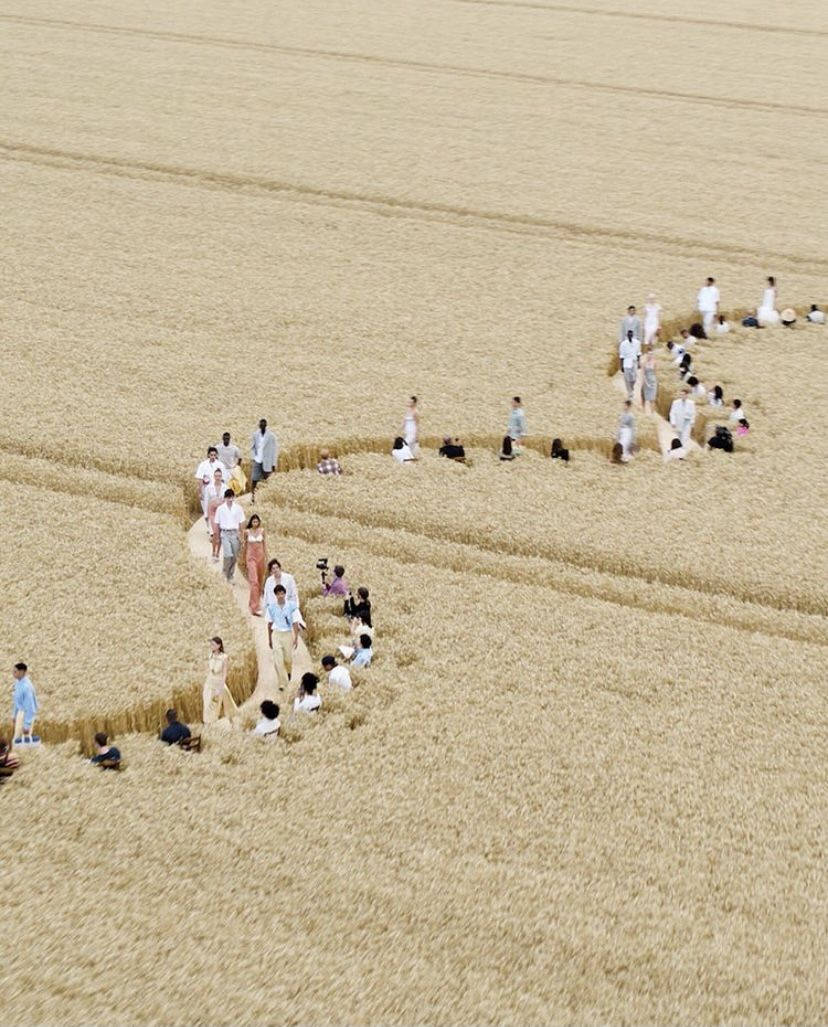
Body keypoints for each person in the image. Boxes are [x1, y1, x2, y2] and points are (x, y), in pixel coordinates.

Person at [266, 585, 302, 689]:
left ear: (285, 594)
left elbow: (295, 622)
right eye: (278, 594)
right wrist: (269, 639)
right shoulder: (271, 608)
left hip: (287, 634)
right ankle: (282, 683)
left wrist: (296, 637)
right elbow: (269, 624)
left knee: (288, 659)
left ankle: (289, 672)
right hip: (276, 634)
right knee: (278, 659)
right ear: (275, 595)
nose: (280, 596)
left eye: (282, 593)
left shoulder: (292, 606)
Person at [202, 637, 237, 724]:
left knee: (220, 703)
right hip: (209, 682)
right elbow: (209, 669)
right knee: (207, 703)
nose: (211, 646)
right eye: (211, 644)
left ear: (219, 645)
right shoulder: (210, 655)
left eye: (213, 644)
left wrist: (220, 687)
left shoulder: (224, 657)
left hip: (218, 683)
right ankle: (208, 722)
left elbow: (224, 673)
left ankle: (228, 720)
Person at [215, 489, 245, 582]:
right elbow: (217, 523)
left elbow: (242, 521)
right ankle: (224, 572)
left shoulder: (238, 508)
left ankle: (230, 575)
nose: (230, 499)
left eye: (232, 497)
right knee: (228, 554)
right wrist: (217, 536)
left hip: (235, 533)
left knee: (234, 556)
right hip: (225, 533)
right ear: (225, 498)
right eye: (228, 497)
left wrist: (241, 534)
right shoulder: (220, 509)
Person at [242, 514, 267, 616]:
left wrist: (266, 557)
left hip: (260, 558)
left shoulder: (262, 531)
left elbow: (265, 545)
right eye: (253, 521)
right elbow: (244, 547)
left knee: (260, 582)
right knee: (254, 582)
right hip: (251, 558)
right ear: (251, 522)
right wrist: (244, 559)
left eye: (257, 521)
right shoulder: (247, 532)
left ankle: (252, 602)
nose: (255, 523)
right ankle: (255, 607)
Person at [195, 447, 227, 525]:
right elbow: (200, 479)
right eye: (211, 455)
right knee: (206, 510)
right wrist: (200, 492)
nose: (213, 457)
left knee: (217, 510)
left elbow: (224, 479)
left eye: (214, 455)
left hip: (216, 491)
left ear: (216, 455)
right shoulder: (203, 465)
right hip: (205, 490)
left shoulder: (220, 464)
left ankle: (216, 527)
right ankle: (209, 528)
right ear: (208, 455)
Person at [263, 559, 299, 627]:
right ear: (271, 571)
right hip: (274, 608)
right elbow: (266, 595)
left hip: (287, 606)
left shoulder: (289, 578)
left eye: (277, 568)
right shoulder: (269, 581)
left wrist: (295, 607)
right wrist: (267, 609)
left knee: (292, 625)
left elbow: (294, 594)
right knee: (273, 626)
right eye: (273, 568)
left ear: (280, 568)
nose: (276, 570)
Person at [250, 418, 278, 500]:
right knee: (254, 479)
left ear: (266, 425)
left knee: (267, 480)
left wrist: (273, 464)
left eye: (264, 424)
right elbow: (253, 447)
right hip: (257, 460)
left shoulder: (271, 436)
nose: (262, 425)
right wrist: (253, 457)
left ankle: (267, 497)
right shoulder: (255, 435)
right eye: (261, 424)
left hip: (267, 461)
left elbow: (274, 450)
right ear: (259, 425)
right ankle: (253, 497)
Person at [11, 663, 38, 745]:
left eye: (15, 671)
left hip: (26, 714)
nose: (13, 673)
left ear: (22, 672)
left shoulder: (26, 687)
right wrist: (14, 715)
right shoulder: (17, 683)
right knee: (16, 739)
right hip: (20, 712)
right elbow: (16, 700)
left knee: (23, 741)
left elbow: (31, 708)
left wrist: (27, 725)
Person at [204, 467, 225, 560]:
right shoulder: (209, 487)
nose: (218, 477)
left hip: (221, 511)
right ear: (214, 476)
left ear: (221, 476)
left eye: (219, 476)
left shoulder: (226, 487)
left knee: (219, 533)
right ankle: (213, 551)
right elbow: (206, 500)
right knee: (215, 532)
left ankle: (217, 553)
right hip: (212, 511)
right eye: (216, 476)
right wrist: (206, 514)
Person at [618, 330, 640, 400]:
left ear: (632, 335)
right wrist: (621, 366)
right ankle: (630, 392)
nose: (630, 336)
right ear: (627, 335)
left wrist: (639, 363)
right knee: (627, 378)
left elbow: (638, 353)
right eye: (629, 335)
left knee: (634, 378)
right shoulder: (623, 344)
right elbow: (621, 356)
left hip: (634, 361)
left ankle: (632, 387)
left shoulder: (637, 343)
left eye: (631, 334)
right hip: (626, 362)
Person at [642, 347, 657, 414]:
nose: (650, 355)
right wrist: (645, 382)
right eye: (648, 354)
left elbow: (655, 373)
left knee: (652, 399)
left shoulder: (654, 362)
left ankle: (652, 413)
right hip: (646, 381)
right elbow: (643, 374)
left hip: (652, 381)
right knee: (645, 398)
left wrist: (655, 382)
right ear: (646, 354)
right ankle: (644, 412)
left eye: (651, 354)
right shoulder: (644, 363)